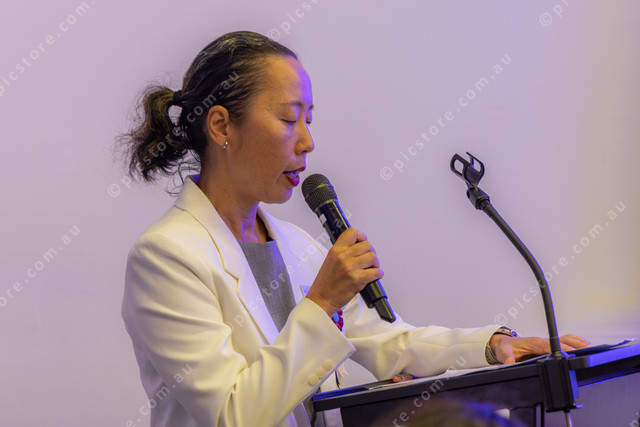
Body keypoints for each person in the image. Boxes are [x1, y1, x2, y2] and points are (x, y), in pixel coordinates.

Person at [117, 31, 590, 426]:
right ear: (222, 126)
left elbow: (391, 343)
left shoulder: (297, 245)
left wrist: (492, 345)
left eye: (309, 119)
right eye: (289, 118)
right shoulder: (166, 256)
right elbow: (232, 413)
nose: (307, 142)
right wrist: (322, 302)